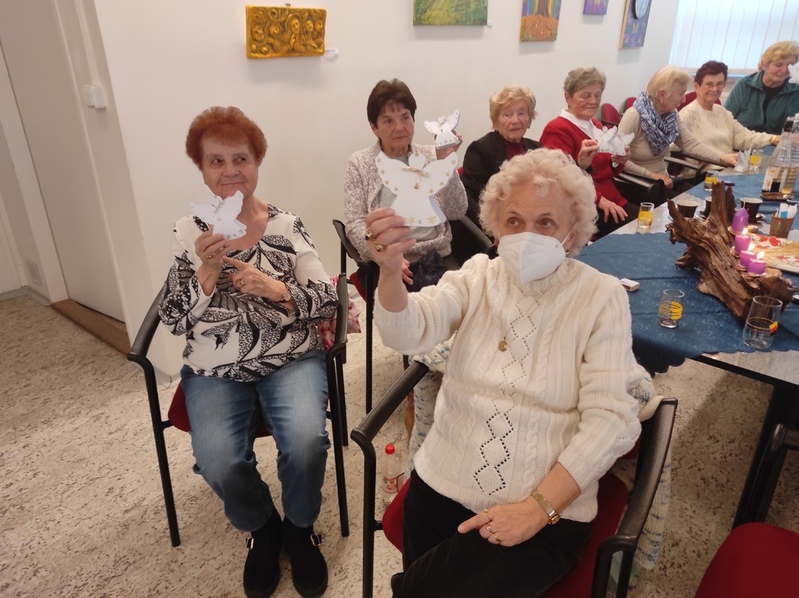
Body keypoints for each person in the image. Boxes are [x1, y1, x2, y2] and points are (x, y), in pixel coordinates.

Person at [365, 148, 647, 598]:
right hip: (440, 482)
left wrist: (536, 509)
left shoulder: (600, 297)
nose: (527, 234)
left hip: (542, 509)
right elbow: (406, 331)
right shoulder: (477, 276)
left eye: (546, 222)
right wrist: (388, 273)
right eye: (514, 220)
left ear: (572, 232)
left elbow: (611, 420)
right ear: (496, 228)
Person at [158, 106, 337, 598]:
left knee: (306, 441)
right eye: (216, 161)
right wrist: (206, 272)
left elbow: (328, 301)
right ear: (202, 169)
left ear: (257, 162)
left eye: (241, 158)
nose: (230, 170)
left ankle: (299, 527)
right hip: (215, 366)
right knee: (217, 459)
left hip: (288, 354)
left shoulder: (286, 225)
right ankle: (263, 527)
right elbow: (173, 318)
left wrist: (276, 289)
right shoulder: (188, 232)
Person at [344, 78, 467, 292]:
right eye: (388, 121)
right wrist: (385, 255)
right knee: (405, 310)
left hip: (438, 256)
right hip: (388, 259)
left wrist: (445, 164)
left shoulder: (432, 155)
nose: (400, 127)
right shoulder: (359, 163)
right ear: (374, 128)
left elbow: (457, 211)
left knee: (462, 303)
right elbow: (355, 223)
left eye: (405, 117)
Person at [540, 67, 637, 237]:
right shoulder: (557, 129)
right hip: (585, 207)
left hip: (611, 198)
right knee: (640, 233)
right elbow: (559, 182)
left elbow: (607, 171)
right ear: (568, 97)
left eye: (597, 95)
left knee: (649, 223)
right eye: (585, 95)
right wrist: (598, 199)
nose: (593, 101)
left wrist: (619, 161)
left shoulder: (595, 125)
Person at [619, 66, 738, 195]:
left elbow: (689, 143)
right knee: (690, 202)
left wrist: (723, 157)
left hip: (663, 181)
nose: (684, 99)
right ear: (662, 95)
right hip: (637, 183)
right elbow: (616, 159)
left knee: (703, 196)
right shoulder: (634, 116)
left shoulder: (671, 114)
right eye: (681, 94)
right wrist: (652, 175)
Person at [460, 85, 542, 229]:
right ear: (495, 122)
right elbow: (467, 197)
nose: (515, 120)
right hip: (493, 229)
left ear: (529, 119)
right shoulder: (480, 149)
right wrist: (493, 227)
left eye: (521, 113)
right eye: (507, 114)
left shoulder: (537, 149)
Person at [681, 60, 779, 153]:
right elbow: (678, 148)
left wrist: (774, 138)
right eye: (709, 84)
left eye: (719, 84)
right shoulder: (686, 115)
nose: (715, 89)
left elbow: (745, 137)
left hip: (728, 163)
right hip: (705, 164)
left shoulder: (723, 112)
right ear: (697, 87)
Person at [725, 41, 799, 134]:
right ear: (764, 65)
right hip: (741, 139)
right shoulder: (744, 85)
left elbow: (791, 129)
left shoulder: (795, 91)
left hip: (775, 141)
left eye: (789, 65)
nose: (784, 70)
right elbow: (725, 119)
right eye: (778, 65)